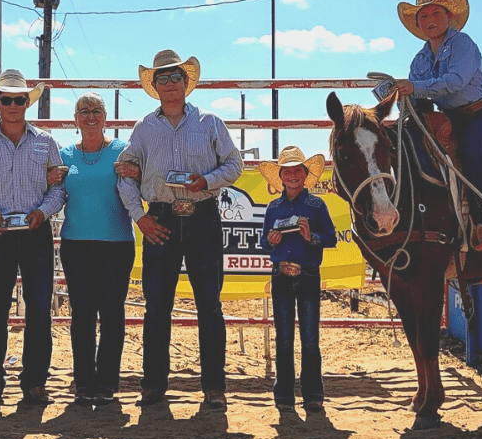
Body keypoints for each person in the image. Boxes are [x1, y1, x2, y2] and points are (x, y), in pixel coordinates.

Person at [116, 49, 241, 407]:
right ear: (153, 86)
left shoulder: (211, 122)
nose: (169, 84)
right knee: (156, 305)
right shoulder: (143, 128)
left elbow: (233, 164)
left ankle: (215, 389)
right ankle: (154, 386)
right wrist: (139, 216)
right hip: (160, 219)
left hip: (203, 216)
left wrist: (208, 181)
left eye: (175, 77)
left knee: (209, 305)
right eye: (162, 78)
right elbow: (124, 173)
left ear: (186, 83)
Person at [0, 69, 66, 408]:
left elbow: (59, 188)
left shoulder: (46, 142)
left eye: (20, 99)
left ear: (27, 103)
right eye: (7, 99)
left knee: (38, 311)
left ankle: (35, 382)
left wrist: (43, 212)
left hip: (35, 234)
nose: (14, 105)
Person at [392, 0, 482, 248]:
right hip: (446, 117)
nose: (429, 20)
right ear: (418, 23)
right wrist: (402, 98)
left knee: (472, 154)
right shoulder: (420, 58)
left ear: (448, 16)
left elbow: (456, 82)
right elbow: (417, 92)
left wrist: (414, 88)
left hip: (475, 115)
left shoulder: (463, 44)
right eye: (423, 16)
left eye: (435, 13)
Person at [56, 93, 135, 406]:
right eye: (84, 111)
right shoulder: (64, 156)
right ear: (75, 119)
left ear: (106, 118)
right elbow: (54, 194)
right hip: (75, 244)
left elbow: (136, 186)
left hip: (117, 244)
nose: (90, 116)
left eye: (97, 111)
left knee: (113, 313)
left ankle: (107, 383)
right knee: (82, 315)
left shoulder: (121, 150)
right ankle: (83, 380)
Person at [258, 146, 336, 412]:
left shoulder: (317, 205)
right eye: (287, 171)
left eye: (297, 171)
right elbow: (263, 243)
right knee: (283, 337)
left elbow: (331, 238)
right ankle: (284, 395)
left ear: (305, 175)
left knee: (310, 337)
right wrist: (270, 240)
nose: (292, 176)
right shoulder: (273, 207)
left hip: (308, 275)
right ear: (280, 176)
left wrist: (310, 237)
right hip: (280, 276)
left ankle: (313, 393)